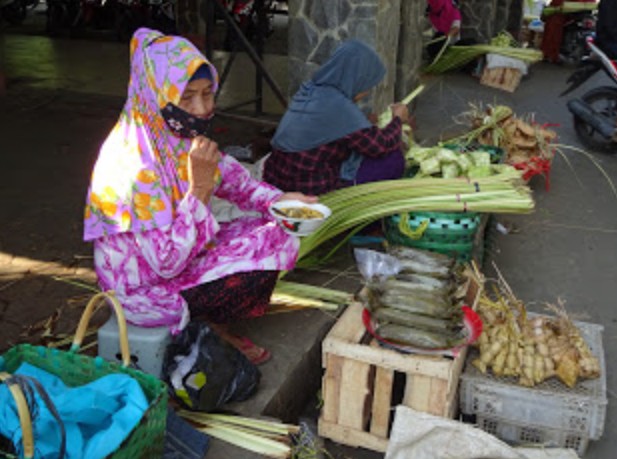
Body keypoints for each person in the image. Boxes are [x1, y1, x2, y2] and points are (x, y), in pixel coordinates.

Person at [83, 27, 316, 365]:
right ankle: (206, 328)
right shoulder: (131, 166)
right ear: (155, 95)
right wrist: (200, 191)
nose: (203, 108)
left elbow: (238, 183)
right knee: (257, 257)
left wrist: (280, 202)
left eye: (208, 93)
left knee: (277, 231)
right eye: (187, 97)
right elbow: (166, 265)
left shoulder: (176, 137)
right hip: (143, 292)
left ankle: (207, 324)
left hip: (180, 258)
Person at [263, 39, 409, 196]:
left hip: (276, 178)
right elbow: (380, 146)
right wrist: (398, 119)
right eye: (366, 85)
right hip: (309, 188)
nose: (366, 92)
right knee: (392, 159)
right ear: (356, 79)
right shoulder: (339, 107)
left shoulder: (311, 89)